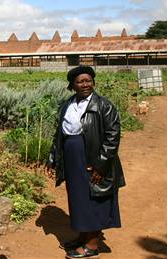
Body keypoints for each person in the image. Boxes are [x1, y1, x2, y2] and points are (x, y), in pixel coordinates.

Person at [46, 65, 125, 258]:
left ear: (93, 82)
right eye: (80, 81)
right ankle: (83, 236)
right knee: (78, 196)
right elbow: (60, 133)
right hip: (72, 157)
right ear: (72, 85)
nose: (85, 84)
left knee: (94, 197)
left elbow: (113, 136)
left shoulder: (103, 105)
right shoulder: (68, 104)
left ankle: (92, 245)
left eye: (88, 80)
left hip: (93, 158)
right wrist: (52, 157)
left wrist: (101, 164)